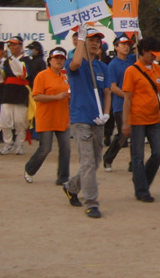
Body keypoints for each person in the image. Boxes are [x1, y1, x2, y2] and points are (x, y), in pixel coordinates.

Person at [62, 26, 111, 219]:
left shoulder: (102, 67)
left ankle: (71, 186)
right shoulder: (74, 63)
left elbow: (106, 92)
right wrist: (80, 39)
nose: (95, 43)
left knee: (96, 161)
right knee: (88, 162)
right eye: (91, 39)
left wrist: (106, 114)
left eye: (97, 40)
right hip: (81, 119)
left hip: (98, 119)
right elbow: (75, 63)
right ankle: (91, 202)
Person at [121, 37, 160, 202]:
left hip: (155, 118)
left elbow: (159, 91)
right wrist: (126, 122)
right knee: (138, 156)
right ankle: (141, 190)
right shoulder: (131, 71)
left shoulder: (158, 68)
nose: (155, 57)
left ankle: (142, 181)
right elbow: (127, 98)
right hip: (137, 119)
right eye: (152, 54)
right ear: (144, 52)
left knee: (158, 153)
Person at [23, 47, 70, 185]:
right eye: (56, 58)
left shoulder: (65, 77)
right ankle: (30, 169)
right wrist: (55, 97)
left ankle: (63, 177)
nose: (59, 61)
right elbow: (36, 96)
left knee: (66, 148)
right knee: (45, 148)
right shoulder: (42, 76)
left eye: (62, 59)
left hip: (62, 117)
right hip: (46, 117)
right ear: (50, 60)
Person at [102, 35, 136, 172]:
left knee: (135, 134)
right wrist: (128, 97)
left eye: (128, 44)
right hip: (120, 105)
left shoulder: (133, 59)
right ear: (116, 47)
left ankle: (134, 163)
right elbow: (113, 87)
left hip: (134, 105)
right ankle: (108, 158)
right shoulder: (113, 65)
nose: (126, 47)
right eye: (123, 44)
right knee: (123, 134)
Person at [0, 36, 31, 155]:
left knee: (20, 121)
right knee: (4, 121)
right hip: (7, 93)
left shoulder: (26, 60)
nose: (12, 47)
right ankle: (8, 143)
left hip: (21, 93)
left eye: (15, 44)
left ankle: (19, 144)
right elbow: (1, 79)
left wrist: (10, 58)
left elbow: (21, 72)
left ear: (21, 46)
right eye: (10, 45)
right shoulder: (6, 61)